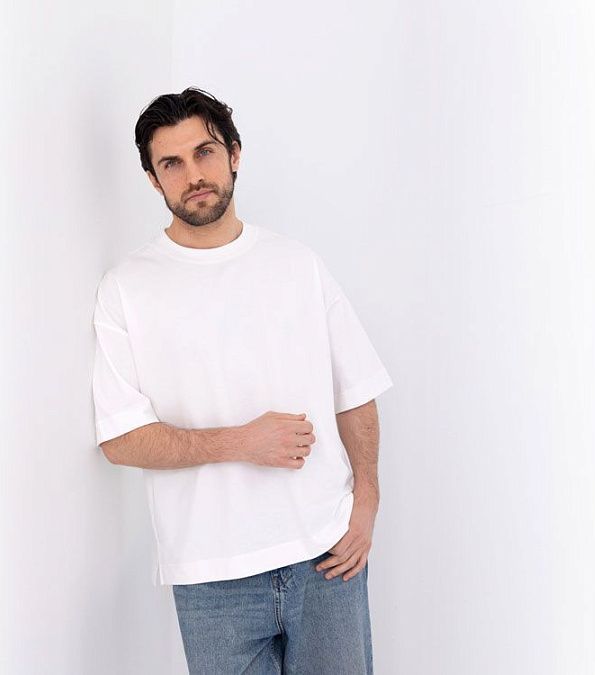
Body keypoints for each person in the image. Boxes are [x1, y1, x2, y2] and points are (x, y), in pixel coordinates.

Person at [91, 86, 394, 674]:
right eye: (171, 163)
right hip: (211, 578)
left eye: (204, 152)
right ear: (153, 179)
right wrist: (242, 441)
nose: (192, 175)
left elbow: (356, 389)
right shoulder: (127, 288)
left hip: (325, 554)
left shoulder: (297, 265)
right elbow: (120, 439)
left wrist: (367, 500)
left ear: (234, 153)